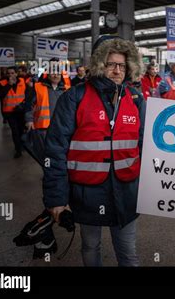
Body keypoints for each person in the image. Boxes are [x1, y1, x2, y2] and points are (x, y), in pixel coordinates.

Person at [42, 37, 145, 266]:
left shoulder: (136, 99)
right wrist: (56, 199)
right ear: (99, 64)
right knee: (90, 246)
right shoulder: (74, 97)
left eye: (122, 65)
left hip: (127, 192)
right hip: (87, 193)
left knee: (128, 253)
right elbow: (55, 150)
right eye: (111, 64)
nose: (117, 70)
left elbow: (147, 143)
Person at [25, 59, 70, 134]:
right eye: (53, 73)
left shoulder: (67, 89)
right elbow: (29, 104)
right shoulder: (38, 87)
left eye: (58, 74)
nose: (56, 76)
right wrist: (29, 120)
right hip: (43, 127)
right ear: (48, 74)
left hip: (61, 126)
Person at [0, 67, 27, 158]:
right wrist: (9, 85)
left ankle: (21, 145)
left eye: (12, 73)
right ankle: (18, 150)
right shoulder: (2, 83)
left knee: (21, 129)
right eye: (8, 73)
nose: (10, 75)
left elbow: (28, 94)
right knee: (15, 131)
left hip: (21, 111)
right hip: (9, 112)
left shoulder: (22, 81)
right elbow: (0, 95)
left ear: (16, 74)